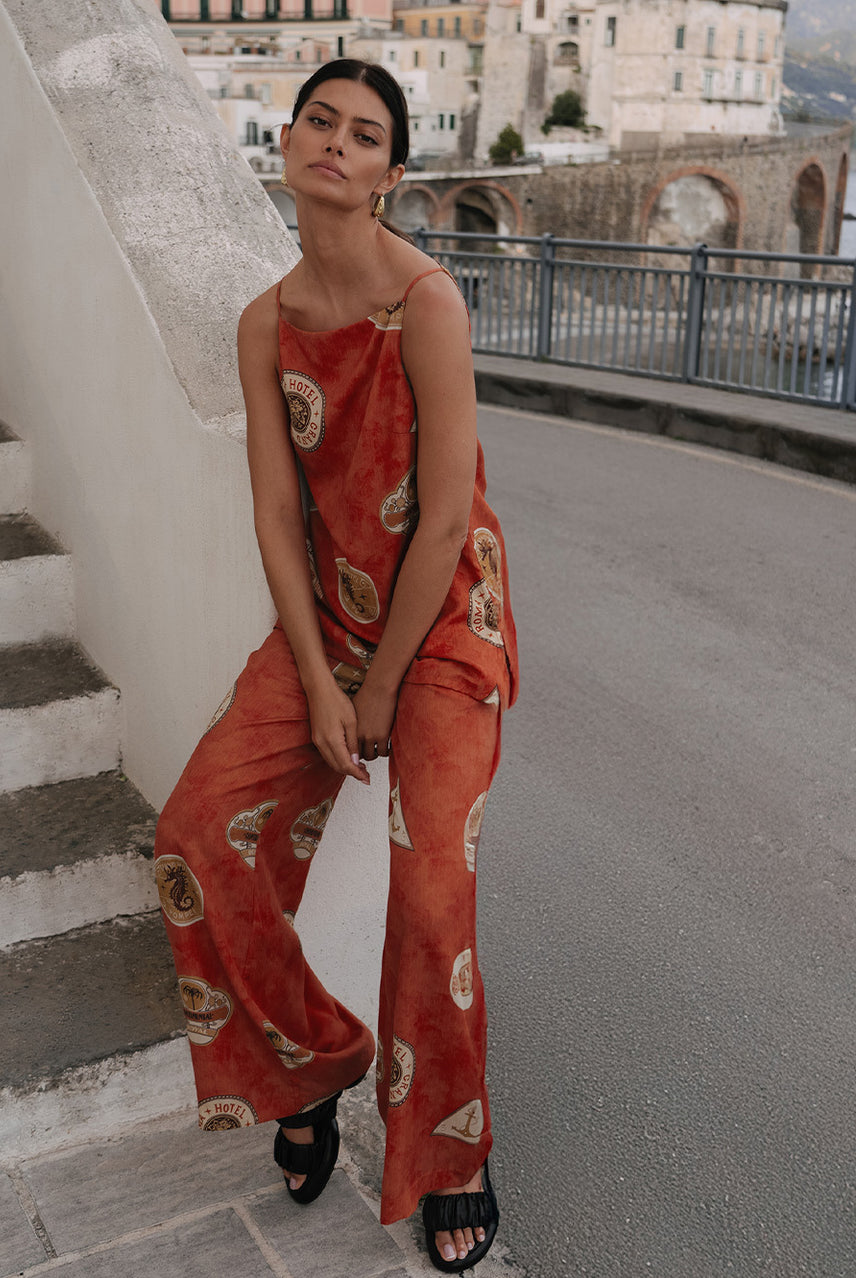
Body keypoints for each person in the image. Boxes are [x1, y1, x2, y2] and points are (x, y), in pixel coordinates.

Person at [153, 58, 519, 1274]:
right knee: (198, 832)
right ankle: (310, 1066)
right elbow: (274, 514)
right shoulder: (266, 321)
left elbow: (448, 508)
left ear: (388, 177)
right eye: (321, 120)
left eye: (365, 135)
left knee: (431, 895)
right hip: (332, 622)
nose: (335, 143)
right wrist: (318, 681)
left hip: (444, 620)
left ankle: (452, 1152)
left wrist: (374, 692)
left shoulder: (430, 304)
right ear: (290, 140)